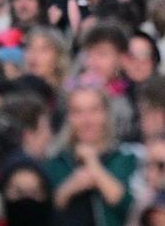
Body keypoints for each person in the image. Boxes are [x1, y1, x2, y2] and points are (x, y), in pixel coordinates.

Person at [44, 86, 137, 226]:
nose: (86, 120)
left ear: (106, 114)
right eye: (78, 112)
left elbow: (131, 208)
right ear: (68, 117)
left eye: (94, 110)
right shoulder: (56, 162)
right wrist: (69, 188)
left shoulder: (125, 158)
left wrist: (94, 166)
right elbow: (42, 212)